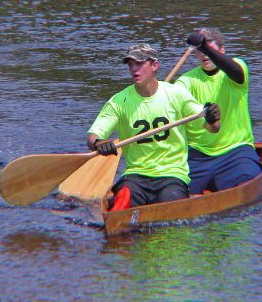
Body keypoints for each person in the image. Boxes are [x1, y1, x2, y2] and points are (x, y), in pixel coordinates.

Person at [87, 44, 220, 211]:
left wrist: (213, 116)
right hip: (135, 176)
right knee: (122, 201)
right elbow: (93, 135)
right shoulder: (119, 101)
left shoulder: (176, 94)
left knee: (169, 206)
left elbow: (214, 127)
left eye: (139, 63)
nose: (134, 69)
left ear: (154, 66)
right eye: (130, 64)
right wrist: (99, 143)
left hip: (172, 175)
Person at [175, 27, 262, 195]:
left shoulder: (237, 69)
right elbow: (172, 98)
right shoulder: (186, 80)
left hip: (236, 152)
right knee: (175, 192)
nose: (204, 54)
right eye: (200, 50)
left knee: (246, 189)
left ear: (222, 51)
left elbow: (235, 70)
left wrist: (205, 47)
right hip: (197, 155)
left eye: (209, 49)